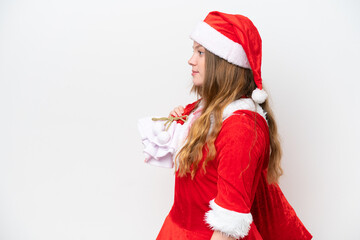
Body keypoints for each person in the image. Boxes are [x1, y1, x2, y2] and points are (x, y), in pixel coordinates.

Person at [138, 11, 312, 240]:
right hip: (177, 231)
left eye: (200, 52)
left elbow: (229, 225)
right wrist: (182, 127)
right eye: (193, 51)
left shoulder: (242, 127)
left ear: (225, 63)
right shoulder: (206, 110)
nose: (191, 60)